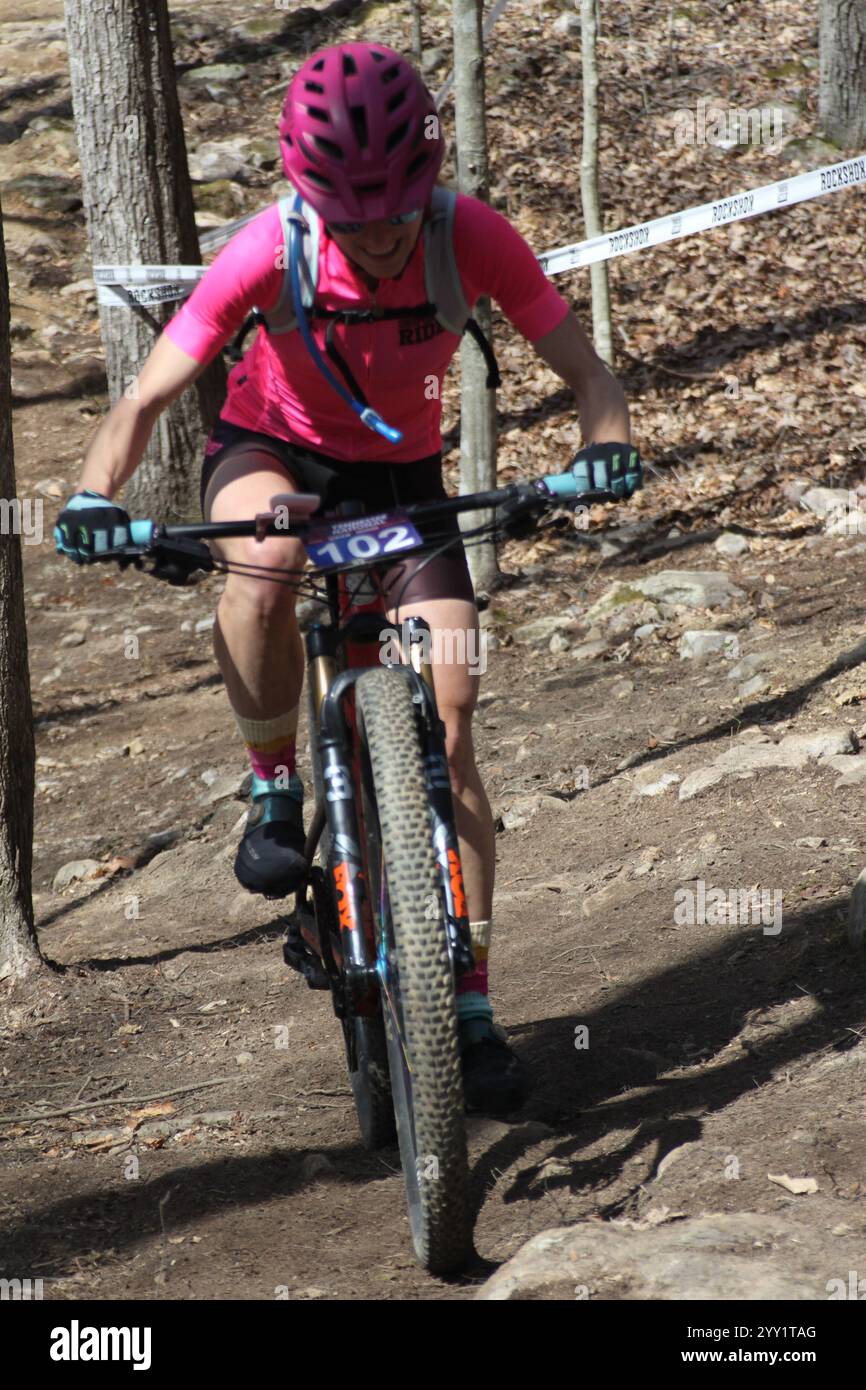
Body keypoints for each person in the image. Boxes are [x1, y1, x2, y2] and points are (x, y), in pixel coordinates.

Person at [56, 41, 641, 1113]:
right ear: (306, 188)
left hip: (401, 483)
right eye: (349, 214)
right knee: (265, 557)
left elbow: (586, 371)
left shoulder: (467, 237)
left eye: (393, 210)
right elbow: (143, 402)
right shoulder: (266, 250)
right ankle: (274, 786)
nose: (374, 235)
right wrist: (95, 494)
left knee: (453, 711)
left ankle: (465, 996)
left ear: (425, 181)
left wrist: (601, 446)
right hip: (269, 458)